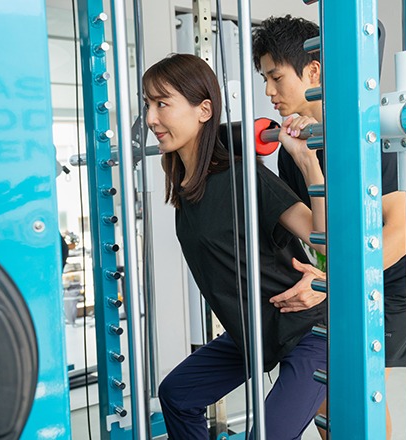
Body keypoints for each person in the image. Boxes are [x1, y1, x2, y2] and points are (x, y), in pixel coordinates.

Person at [252, 15, 406, 440]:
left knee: (358, 389)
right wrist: (306, 161)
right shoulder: (292, 151)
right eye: (265, 79)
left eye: (276, 77)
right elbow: (319, 238)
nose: (268, 92)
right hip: (345, 273)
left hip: (397, 273)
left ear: (313, 71)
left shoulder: (368, 133)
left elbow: (399, 230)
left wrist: (333, 281)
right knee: (323, 394)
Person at [145, 53, 328, 440]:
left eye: (162, 104)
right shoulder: (186, 187)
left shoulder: (242, 176)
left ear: (204, 110)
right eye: (148, 104)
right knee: (177, 394)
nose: (150, 118)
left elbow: (322, 236)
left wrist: (307, 162)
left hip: (309, 330)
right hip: (254, 332)